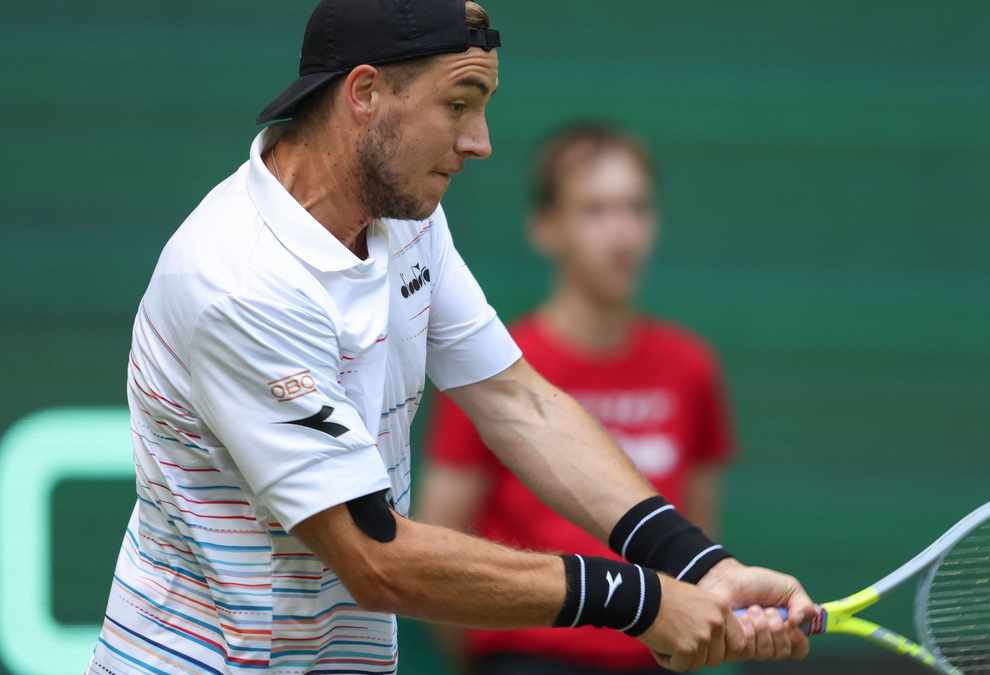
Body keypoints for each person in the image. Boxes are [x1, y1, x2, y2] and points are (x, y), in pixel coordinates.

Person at [88, 2, 814, 674]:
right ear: (365, 94)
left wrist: (698, 565)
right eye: (458, 104)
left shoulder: (406, 217)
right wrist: (640, 600)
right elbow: (376, 558)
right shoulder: (240, 285)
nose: (480, 143)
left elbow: (517, 402)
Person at [418, 124, 737, 675]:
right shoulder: (495, 370)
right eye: (595, 210)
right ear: (546, 227)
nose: (622, 232)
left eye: (637, 208)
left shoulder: (690, 367)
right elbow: (437, 539)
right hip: (528, 657)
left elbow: (698, 534)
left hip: (651, 657)